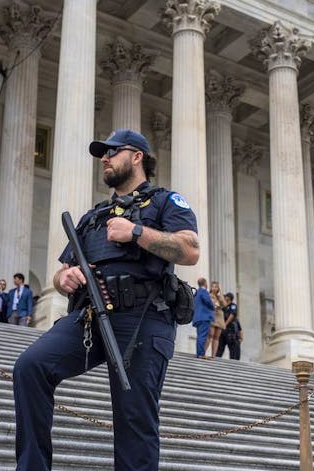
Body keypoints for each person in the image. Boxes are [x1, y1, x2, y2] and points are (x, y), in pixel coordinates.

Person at [12, 128, 199, 471]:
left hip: (143, 319)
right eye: (103, 153)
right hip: (91, 315)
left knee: (133, 419)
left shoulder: (164, 202)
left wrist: (137, 232)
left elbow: (189, 250)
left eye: (113, 151)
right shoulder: (94, 216)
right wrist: (62, 278)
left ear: (137, 156)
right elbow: (63, 268)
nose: (105, 158)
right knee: (30, 367)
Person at [215, 292, 241, 360]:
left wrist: (225, 324)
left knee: (233, 350)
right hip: (223, 330)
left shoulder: (233, 306)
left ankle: (234, 364)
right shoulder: (223, 307)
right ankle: (217, 359)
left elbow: (232, 315)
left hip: (230, 331)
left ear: (229, 298)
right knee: (220, 348)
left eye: (225, 297)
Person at [192, 277, 214, 358]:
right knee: (202, 336)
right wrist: (213, 306)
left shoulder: (196, 293)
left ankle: (199, 353)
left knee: (200, 335)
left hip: (197, 317)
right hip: (204, 317)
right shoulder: (204, 291)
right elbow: (208, 301)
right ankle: (201, 354)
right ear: (205, 283)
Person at [207, 281, 224, 357]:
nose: (214, 288)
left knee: (217, 337)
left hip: (219, 316)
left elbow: (224, 305)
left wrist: (220, 297)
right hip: (212, 316)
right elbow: (210, 304)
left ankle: (213, 354)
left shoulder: (220, 297)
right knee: (210, 334)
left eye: (216, 287)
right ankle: (203, 351)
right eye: (213, 287)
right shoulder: (209, 295)